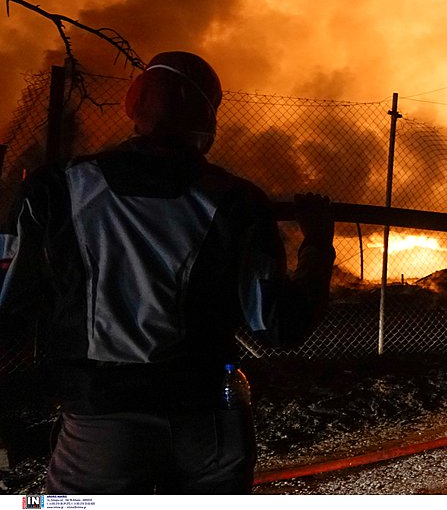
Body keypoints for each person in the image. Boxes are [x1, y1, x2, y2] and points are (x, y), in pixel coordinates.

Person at [0, 51, 336, 494]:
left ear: (132, 105)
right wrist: (317, 245)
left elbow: (8, 306)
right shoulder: (237, 202)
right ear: (208, 119)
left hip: (102, 421)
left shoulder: (53, 189)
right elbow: (278, 325)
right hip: (209, 418)